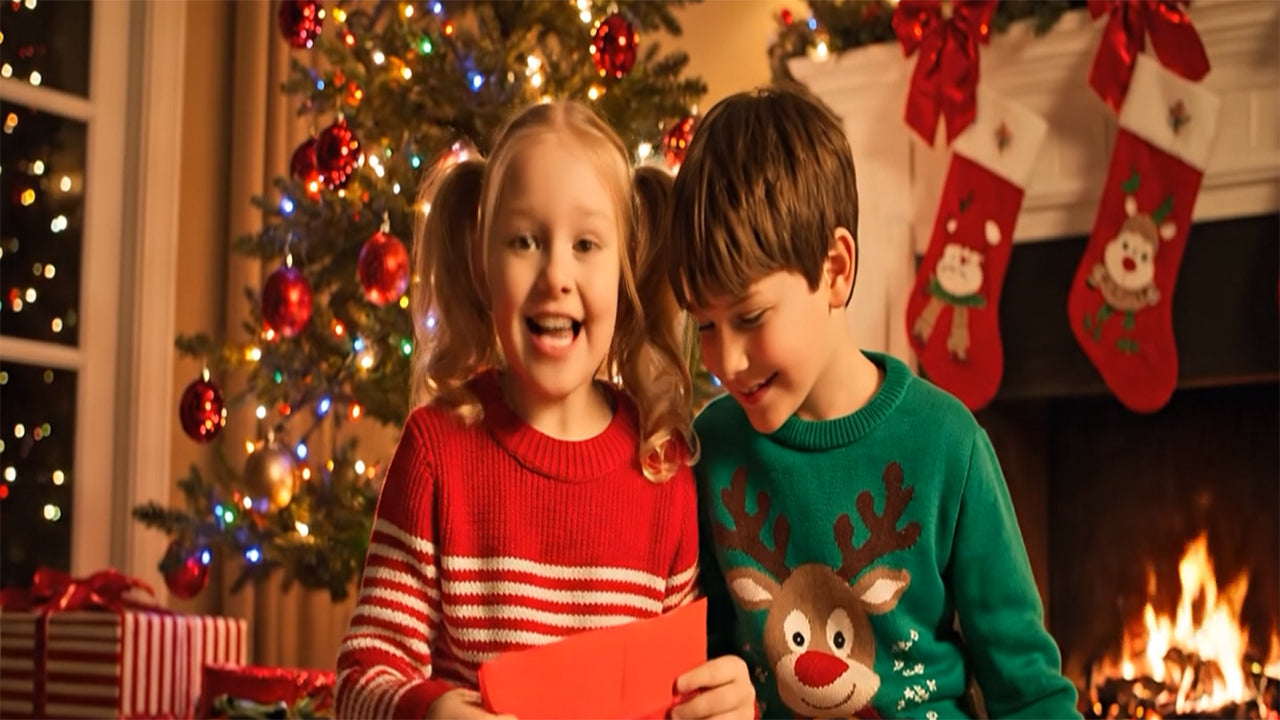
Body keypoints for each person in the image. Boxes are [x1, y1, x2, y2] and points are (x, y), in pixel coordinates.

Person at [665, 83, 1081, 719]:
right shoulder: (712, 447)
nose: (726, 362)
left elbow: (1029, 691)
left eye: (749, 316)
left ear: (834, 268)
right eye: (706, 326)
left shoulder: (947, 444)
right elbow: (700, 655)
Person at [334, 100, 754, 720]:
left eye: (587, 244)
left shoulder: (662, 469)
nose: (556, 273)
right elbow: (362, 678)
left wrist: (725, 704)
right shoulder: (436, 451)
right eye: (525, 240)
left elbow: (684, 691)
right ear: (482, 263)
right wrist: (429, 712)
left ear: (625, 268)